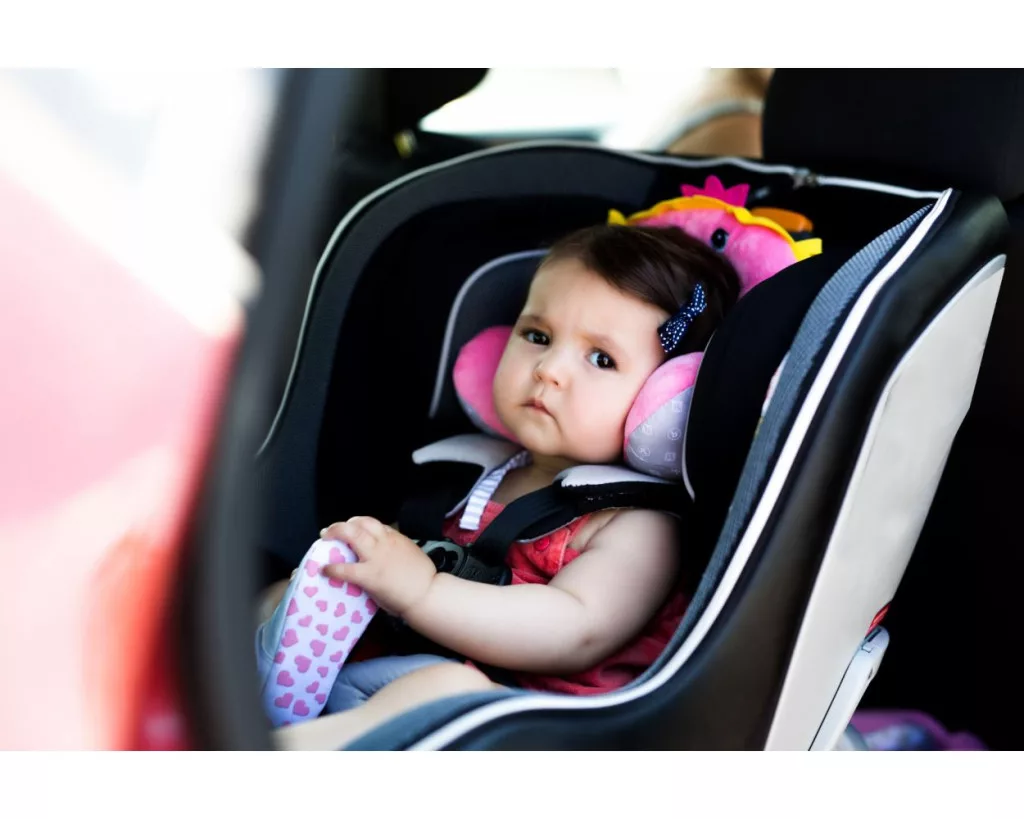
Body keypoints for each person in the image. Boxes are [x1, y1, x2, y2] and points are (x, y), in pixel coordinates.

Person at [264, 223, 741, 749]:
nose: (549, 369)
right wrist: (363, 561)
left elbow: (574, 629)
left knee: (449, 689)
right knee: (278, 596)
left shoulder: (638, 526)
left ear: (665, 400)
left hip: (527, 724)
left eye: (601, 358)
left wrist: (423, 591)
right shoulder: (479, 471)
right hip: (398, 668)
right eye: (538, 336)